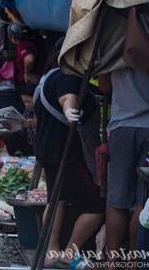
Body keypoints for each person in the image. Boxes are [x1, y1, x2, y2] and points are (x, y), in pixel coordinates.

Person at [33, 66, 104, 268]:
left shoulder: (48, 76)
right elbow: (67, 98)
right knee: (96, 206)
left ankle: (51, 251)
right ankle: (69, 252)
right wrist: (70, 110)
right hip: (69, 153)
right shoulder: (69, 77)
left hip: (48, 150)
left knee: (57, 200)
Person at [100, 67, 149, 260]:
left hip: (122, 127)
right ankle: (133, 260)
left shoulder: (113, 43)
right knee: (142, 200)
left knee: (117, 200)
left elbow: (103, 86)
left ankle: (112, 261)